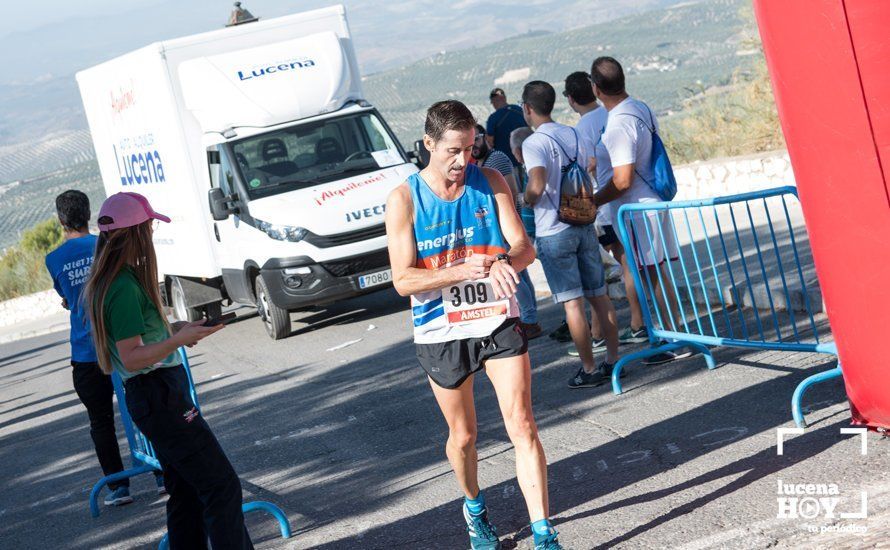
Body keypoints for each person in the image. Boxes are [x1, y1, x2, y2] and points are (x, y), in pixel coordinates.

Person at [386, 100, 563, 550]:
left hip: (496, 319)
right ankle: (474, 506)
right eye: (452, 151)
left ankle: (544, 533)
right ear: (428, 144)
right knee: (464, 437)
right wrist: (462, 269)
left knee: (522, 424)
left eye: (470, 148)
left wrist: (503, 260)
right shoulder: (404, 199)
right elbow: (403, 280)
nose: (463, 160)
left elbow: (524, 247)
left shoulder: (491, 181)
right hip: (440, 330)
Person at [85, 192, 254, 549]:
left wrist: (174, 330)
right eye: (148, 226)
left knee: (187, 492)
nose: (151, 233)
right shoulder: (123, 285)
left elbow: (138, 342)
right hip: (159, 395)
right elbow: (131, 357)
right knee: (221, 486)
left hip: (155, 395)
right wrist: (177, 341)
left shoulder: (116, 280)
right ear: (134, 233)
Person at [44, 190, 164, 507]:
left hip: (85, 353)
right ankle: (162, 472)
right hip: (119, 344)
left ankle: (119, 487)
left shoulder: (53, 259)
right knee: (141, 408)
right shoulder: (105, 243)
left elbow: (69, 298)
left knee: (101, 422)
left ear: (60, 221)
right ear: (88, 214)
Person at [520, 80, 620, 388]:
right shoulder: (574, 133)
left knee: (573, 304)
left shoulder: (534, 143)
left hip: (554, 229)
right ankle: (614, 362)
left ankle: (588, 369)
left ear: (527, 109)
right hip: (584, 223)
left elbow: (536, 185)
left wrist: (524, 199)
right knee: (599, 297)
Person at [590, 57, 687, 364]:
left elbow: (622, 179)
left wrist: (593, 201)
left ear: (596, 89)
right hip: (649, 201)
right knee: (655, 272)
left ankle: (675, 338)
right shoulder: (640, 107)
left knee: (653, 274)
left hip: (636, 209)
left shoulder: (619, 123)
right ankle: (672, 334)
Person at [564, 71, 647, 357]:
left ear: (571, 99)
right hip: (620, 200)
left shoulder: (582, 128)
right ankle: (638, 322)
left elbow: (585, 166)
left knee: (607, 270)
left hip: (606, 204)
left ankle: (605, 332)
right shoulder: (608, 114)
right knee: (629, 264)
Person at [474, 124, 542, 339]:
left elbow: (510, 193)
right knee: (521, 273)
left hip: (505, 226)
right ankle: (529, 318)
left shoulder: (497, 159)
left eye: (477, 138)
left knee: (514, 273)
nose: (474, 144)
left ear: (486, 138)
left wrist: (505, 224)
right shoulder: (483, 161)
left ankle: (528, 319)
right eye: (471, 140)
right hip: (499, 225)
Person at [486, 88, 527, 169]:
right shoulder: (519, 110)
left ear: (493, 101)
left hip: (504, 163)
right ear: (504, 98)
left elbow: (489, 142)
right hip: (525, 160)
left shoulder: (493, 118)